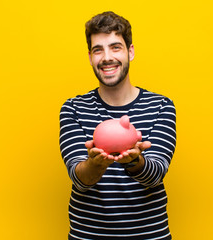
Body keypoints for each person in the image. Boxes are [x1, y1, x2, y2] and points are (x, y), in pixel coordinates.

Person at [59, 11, 176, 240]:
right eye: (97, 50)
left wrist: (134, 160)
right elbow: (79, 178)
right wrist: (96, 164)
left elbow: (156, 175)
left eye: (115, 47)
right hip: (89, 235)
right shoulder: (73, 109)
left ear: (130, 52)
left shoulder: (161, 105)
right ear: (90, 56)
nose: (106, 58)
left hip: (148, 235)